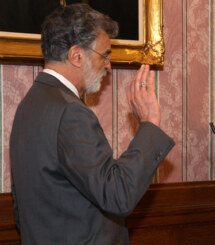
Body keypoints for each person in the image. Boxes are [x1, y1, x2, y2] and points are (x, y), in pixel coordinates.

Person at [10, 4, 174, 245]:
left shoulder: (29, 104)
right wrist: (149, 123)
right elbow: (118, 195)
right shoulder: (70, 112)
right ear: (77, 55)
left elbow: (21, 210)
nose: (108, 65)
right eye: (104, 55)